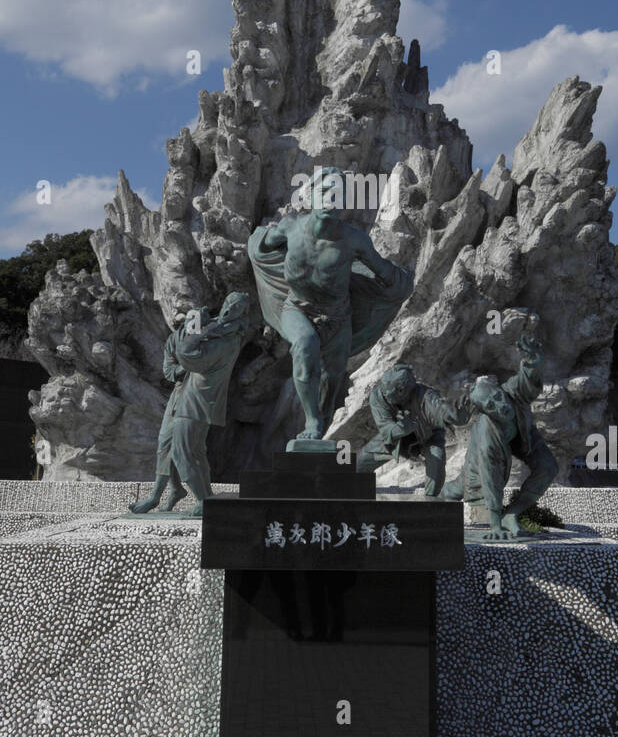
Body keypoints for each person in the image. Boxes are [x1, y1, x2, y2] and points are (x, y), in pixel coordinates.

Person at [248, 166, 412, 443]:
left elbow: (382, 270)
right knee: (305, 344)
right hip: (297, 308)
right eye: (324, 192)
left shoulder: (354, 240)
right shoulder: (290, 227)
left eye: (337, 195)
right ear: (311, 195)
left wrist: (402, 281)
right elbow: (264, 246)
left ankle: (318, 428)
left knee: (332, 378)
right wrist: (257, 241)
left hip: (338, 316)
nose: (330, 199)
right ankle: (312, 419)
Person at [130, 292, 249, 517]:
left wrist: (204, 332)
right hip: (182, 396)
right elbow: (170, 368)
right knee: (169, 445)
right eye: (228, 304)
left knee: (184, 450)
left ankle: (201, 499)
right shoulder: (185, 337)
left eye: (236, 307)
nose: (228, 310)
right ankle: (173, 493)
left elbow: (190, 353)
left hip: (197, 398)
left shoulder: (225, 336)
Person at [443, 330, 559, 538]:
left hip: (522, 434)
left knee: (548, 467)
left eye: (497, 397)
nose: (500, 405)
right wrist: (494, 526)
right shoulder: (486, 434)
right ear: (485, 412)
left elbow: (526, 381)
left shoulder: (511, 391)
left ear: (499, 390)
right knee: (457, 489)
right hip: (487, 454)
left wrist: (532, 362)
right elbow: (490, 479)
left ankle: (512, 514)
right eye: (491, 406)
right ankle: (432, 502)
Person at [356, 365, 471, 497]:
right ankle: (349, 494)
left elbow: (441, 410)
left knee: (437, 464)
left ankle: (430, 504)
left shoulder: (426, 395)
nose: (384, 394)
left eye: (388, 393)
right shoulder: (378, 396)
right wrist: (402, 428)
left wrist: (456, 416)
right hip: (394, 439)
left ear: (401, 391)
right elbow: (386, 429)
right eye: (384, 391)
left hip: (428, 437)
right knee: (360, 462)